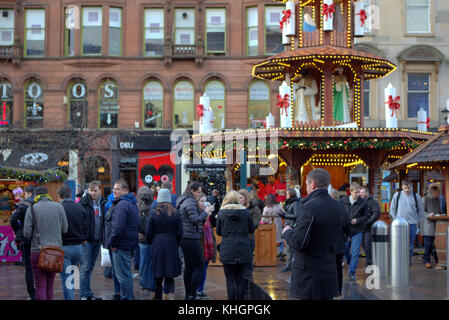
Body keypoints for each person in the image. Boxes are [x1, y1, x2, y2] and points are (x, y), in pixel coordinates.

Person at [282, 168, 346, 300]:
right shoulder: (339, 207)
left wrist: (287, 232)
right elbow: (345, 235)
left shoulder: (308, 207)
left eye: (306, 184)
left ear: (312, 184)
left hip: (309, 276)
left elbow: (299, 243)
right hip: (329, 270)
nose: (306, 187)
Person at [23, 186, 68, 300]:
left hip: (37, 250)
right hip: (54, 250)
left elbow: (27, 233)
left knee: (40, 284)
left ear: (35, 196)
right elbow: (65, 229)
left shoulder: (32, 209)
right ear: (47, 195)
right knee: (50, 283)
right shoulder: (59, 207)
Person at [176, 181, 214, 300]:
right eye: (198, 192)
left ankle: (189, 294)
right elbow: (194, 219)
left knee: (189, 266)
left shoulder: (182, 199)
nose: (199, 194)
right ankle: (192, 293)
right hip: (191, 237)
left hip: (184, 237)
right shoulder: (190, 201)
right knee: (200, 266)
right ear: (192, 191)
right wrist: (206, 212)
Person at [104, 179, 139, 300]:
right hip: (127, 243)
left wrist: (113, 243)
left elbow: (118, 227)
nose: (114, 191)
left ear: (125, 190)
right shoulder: (130, 203)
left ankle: (127, 297)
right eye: (114, 189)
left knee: (123, 276)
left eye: (118, 189)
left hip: (121, 245)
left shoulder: (122, 205)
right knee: (125, 274)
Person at [216, 191, 255, 300]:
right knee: (240, 279)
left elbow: (219, 231)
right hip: (243, 248)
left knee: (230, 279)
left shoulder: (222, 213)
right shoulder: (246, 212)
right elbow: (251, 229)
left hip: (228, 248)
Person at [146, 188, 183, 300]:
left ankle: (158, 297)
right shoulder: (176, 213)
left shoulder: (153, 213)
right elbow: (180, 232)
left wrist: (152, 242)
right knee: (169, 275)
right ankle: (171, 296)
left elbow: (148, 232)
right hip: (171, 245)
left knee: (157, 275)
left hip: (157, 245)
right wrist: (176, 242)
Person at [57, 185, 88, 300]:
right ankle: (75, 295)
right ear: (70, 194)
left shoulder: (59, 208)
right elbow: (86, 227)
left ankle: (70, 298)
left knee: (66, 278)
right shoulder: (79, 208)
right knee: (74, 276)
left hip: (64, 247)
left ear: (59, 196)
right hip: (78, 247)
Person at [79, 180, 107, 300]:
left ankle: (87, 292)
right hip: (87, 241)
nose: (92, 193)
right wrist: (83, 239)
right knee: (85, 267)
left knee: (90, 267)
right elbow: (79, 222)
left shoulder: (104, 203)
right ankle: (83, 294)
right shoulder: (83, 203)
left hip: (97, 240)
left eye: (95, 190)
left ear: (100, 190)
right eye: (91, 190)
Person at [389, 179, 424, 265]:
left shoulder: (416, 196)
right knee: (399, 243)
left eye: (408, 188)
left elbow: (421, 210)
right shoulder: (397, 195)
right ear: (402, 187)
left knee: (410, 244)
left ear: (411, 186)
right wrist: (395, 219)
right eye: (405, 188)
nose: (407, 190)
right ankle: (399, 261)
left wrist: (418, 221)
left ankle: (407, 261)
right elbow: (392, 208)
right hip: (399, 224)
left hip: (412, 223)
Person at [10, 185, 35, 300]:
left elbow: (13, 219)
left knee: (29, 267)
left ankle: (32, 294)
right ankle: (42, 293)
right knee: (41, 267)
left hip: (26, 238)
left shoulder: (23, 205)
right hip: (41, 239)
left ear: (28, 193)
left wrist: (17, 231)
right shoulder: (42, 204)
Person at [341, 182, 369, 282]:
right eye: (356, 192)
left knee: (355, 253)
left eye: (359, 192)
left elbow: (366, 216)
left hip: (357, 230)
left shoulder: (363, 202)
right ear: (351, 191)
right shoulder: (343, 201)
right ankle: (350, 264)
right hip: (346, 231)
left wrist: (358, 221)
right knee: (344, 251)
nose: (359, 194)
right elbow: (340, 213)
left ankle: (352, 273)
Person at [197, 193, 217, 300]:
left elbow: (214, 224)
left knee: (204, 269)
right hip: (200, 246)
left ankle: (200, 290)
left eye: (205, 201)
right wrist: (205, 213)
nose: (204, 203)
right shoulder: (197, 213)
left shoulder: (207, 214)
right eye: (201, 201)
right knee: (199, 269)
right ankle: (195, 290)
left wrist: (211, 213)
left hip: (207, 246)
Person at [137, 186, 156, 295]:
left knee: (143, 261)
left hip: (141, 238)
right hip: (151, 239)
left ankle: (143, 281)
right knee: (151, 262)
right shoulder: (153, 208)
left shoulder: (138, 207)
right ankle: (150, 281)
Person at [421, 184, 445, 270]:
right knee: (428, 244)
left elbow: (438, 211)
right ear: (434, 192)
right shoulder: (424, 199)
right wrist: (428, 214)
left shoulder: (438, 200)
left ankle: (437, 262)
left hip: (436, 225)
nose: (439, 194)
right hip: (427, 225)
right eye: (438, 193)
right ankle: (427, 261)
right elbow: (421, 212)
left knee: (435, 245)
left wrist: (440, 214)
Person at [279, 189, 301, 272]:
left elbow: (297, 215)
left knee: (292, 248)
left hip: (293, 227)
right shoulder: (289, 203)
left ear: (291, 194)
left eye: (288, 193)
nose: (286, 195)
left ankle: (294, 265)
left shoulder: (295, 203)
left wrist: (285, 215)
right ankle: (289, 265)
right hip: (288, 226)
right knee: (288, 248)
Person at [360, 186, 380, 268]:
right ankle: (371, 261)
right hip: (361, 227)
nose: (361, 194)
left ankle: (369, 263)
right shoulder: (360, 201)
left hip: (369, 227)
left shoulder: (373, 202)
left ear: (367, 193)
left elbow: (376, 213)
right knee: (364, 245)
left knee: (367, 245)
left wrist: (368, 222)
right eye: (360, 192)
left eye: (362, 192)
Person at [262, 194, 284, 260]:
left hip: (270, 225)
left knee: (271, 239)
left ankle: (272, 253)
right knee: (280, 239)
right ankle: (281, 252)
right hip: (278, 224)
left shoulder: (266, 208)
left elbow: (263, 219)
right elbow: (283, 213)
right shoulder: (279, 206)